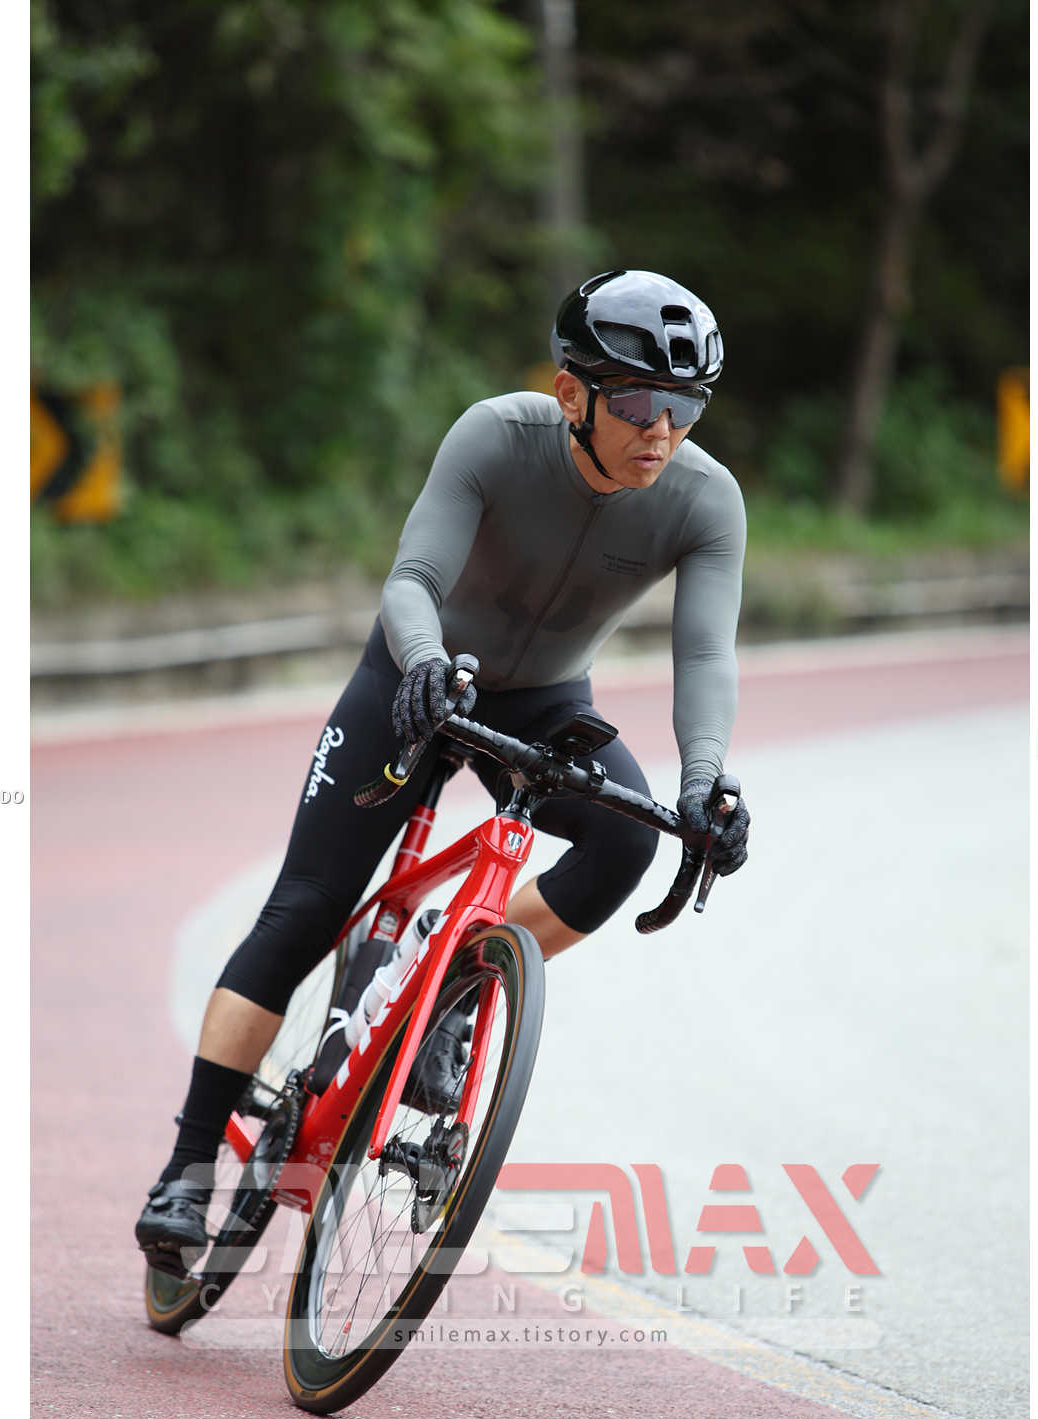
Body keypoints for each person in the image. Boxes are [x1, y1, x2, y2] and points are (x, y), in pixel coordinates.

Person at [135, 269, 753, 1264]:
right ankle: (188, 1165)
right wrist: (423, 664)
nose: (664, 431)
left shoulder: (705, 499)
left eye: (686, 408)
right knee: (305, 910)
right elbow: (413, 579)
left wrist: (704, 783)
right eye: (639, 404)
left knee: (626, 841)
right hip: (416, 675)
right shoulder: (495, 436)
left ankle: (452, 983)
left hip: (547, 699)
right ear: (572, 393)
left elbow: (707, 655)